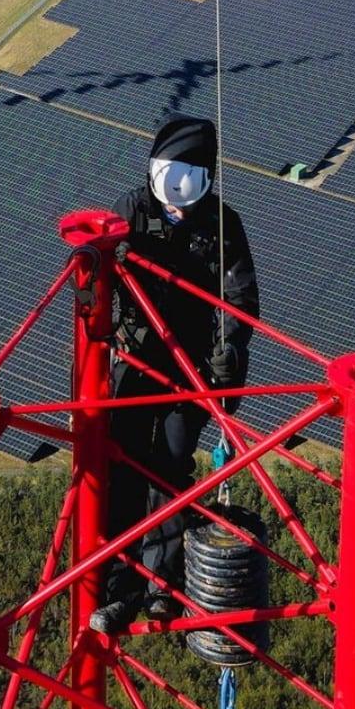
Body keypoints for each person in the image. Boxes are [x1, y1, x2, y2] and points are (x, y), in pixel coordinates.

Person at [90, 115, 260, 634]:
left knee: (168, 469)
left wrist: (230, 347)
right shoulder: (129, 212)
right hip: (137, 363)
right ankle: (119, 589)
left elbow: (241, 297)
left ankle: (162, 586)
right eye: (169, 203)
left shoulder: (222, 224)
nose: (175, 211)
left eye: (184, 205)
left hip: (189, 367)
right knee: (121, 471)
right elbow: (98, 275)